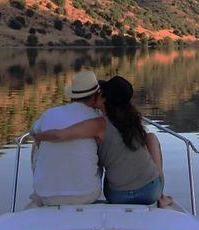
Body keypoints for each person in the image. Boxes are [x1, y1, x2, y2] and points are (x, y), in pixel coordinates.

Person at [34, 75, 170, 207]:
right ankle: (161, 196)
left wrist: (38, 136)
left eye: (101, 92)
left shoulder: (98, 124)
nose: (98, 93)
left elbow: (59, 136)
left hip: (118, 196)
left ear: (104, 98)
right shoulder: (131, 121)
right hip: (150, 193)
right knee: (151, 138)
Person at [28, 70, 106, 206]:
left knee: (37, 143)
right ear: (95, 96)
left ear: (73, 95)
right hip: (86, 195)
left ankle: (43, 187)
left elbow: (32, 131)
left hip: (46, 196)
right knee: (99, 146)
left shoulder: (49, 114)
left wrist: (40, 137)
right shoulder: (98, 121)